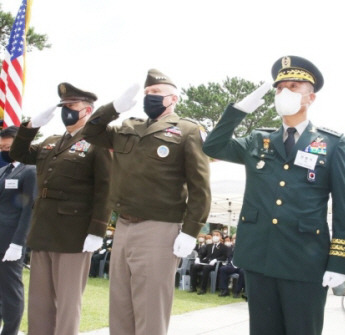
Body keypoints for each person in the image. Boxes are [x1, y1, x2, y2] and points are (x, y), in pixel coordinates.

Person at [203, 55, 345, 335]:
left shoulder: (331, 144)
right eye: (280, 87)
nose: (285, 92)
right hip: (260, 257)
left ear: (311, 98)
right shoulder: (257, 140)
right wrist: (239, 110)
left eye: (294, 86)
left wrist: (340, 261)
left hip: (305, 260)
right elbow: (212, 146)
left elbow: (344, 207)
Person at [81, 69, 211, 335]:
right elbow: (91, 132)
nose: (149, 97)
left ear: (172, 98)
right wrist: (113, 108)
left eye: (156, 93)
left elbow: (200, 188)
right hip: (124, 226)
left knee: (151, 309)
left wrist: (190, 231)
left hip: (160, 228)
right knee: (120, 306)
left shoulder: (187, 131)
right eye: (147, 93)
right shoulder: (129, 126)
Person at [10, 83, 112, 335]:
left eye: (71, 107)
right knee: (40, 302)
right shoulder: (52, 141)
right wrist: (31, 126)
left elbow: (106, 188)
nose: (66, 111)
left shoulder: (97, 142)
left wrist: (97, 229)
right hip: (44, 229)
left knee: (67, 302)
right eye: (63, 107)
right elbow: (18, 152)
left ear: (87, 110)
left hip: (74, 233)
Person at [0, 126, 37, 335]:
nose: (5, 151)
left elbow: (29, 210)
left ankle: (10, 331)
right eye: (2, 147)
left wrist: (18, 243)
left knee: (11, 292)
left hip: (10, 242)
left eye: (9, 146)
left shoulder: (30, 170)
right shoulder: (5, 170)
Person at [189, 230, 228, 295]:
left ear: (221, 237)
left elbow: (224, 257)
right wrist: (198, 258)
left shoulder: (224, 247)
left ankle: (203, 288)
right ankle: (193, 286)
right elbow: (202, 254)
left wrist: (216, 259)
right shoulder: (208, 246)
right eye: (214, 235)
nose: (215, 236)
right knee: (193, 266)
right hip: (206, 262)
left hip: (215, 264)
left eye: (217, 235)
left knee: (206, 268)